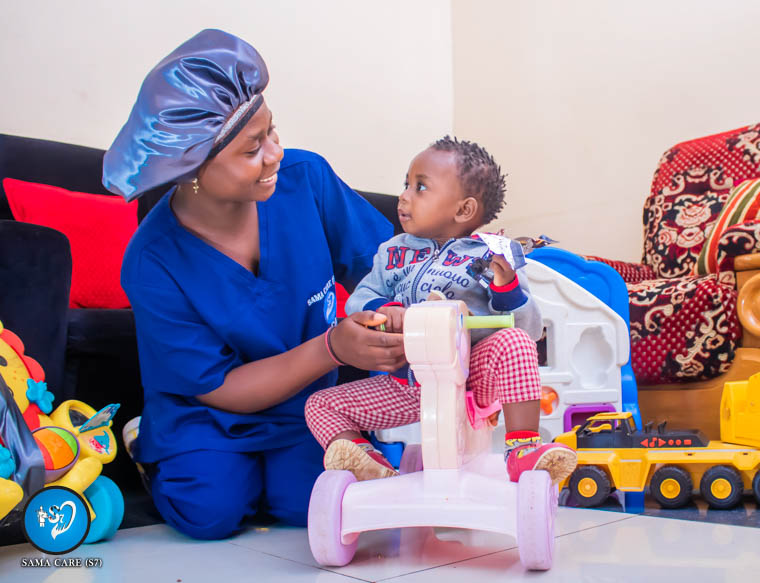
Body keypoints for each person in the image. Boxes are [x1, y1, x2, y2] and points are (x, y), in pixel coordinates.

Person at [103, 29, 407, 540]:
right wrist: (333, 346)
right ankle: (150, 443)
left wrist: (401, 312)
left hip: (308, 405)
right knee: (208, 514)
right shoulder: (153, 261)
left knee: (311, 504)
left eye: (272, 132)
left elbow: (388, 269)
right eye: (252, 149)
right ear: (191, 167)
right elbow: (220, 387)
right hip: (207, 413)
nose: (275, 154)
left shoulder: (306, 180)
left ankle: (285, 471)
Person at [304, 137, 577, 485]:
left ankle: (522, 450)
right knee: (319, 405)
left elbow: (528, 328)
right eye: (406, 184)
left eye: (420, 187)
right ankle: (368, 463)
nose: (404, 196)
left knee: (516, 343)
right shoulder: (391, 252)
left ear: (463, 210)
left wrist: (506, 286)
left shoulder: (491, 254)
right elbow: (361, 298)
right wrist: (385, 310)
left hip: (473, 374)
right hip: (408, 384)